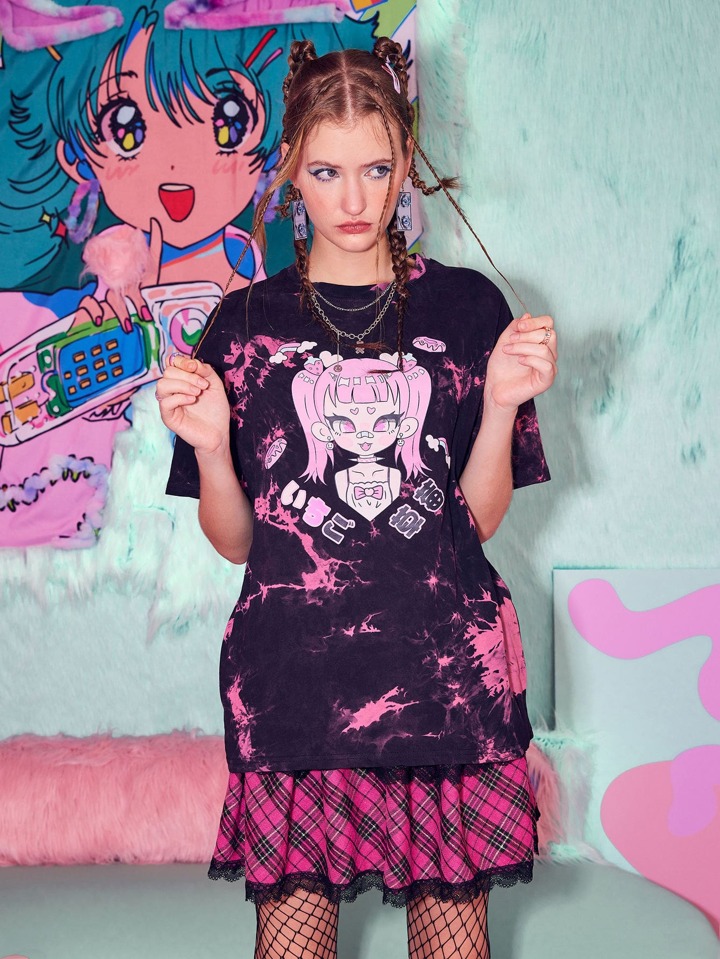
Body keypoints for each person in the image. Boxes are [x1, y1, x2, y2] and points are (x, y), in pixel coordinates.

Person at [157, 35, 557, 959]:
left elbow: (476, 521)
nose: (353, 201)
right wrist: (212, 448)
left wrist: (501, 403)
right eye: (327, 171)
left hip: (446, 691)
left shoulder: (470, 311)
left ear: (406, 161)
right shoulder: (242, 327)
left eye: (376, 170)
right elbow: (237, 541)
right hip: (296, 693)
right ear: (290, 169)